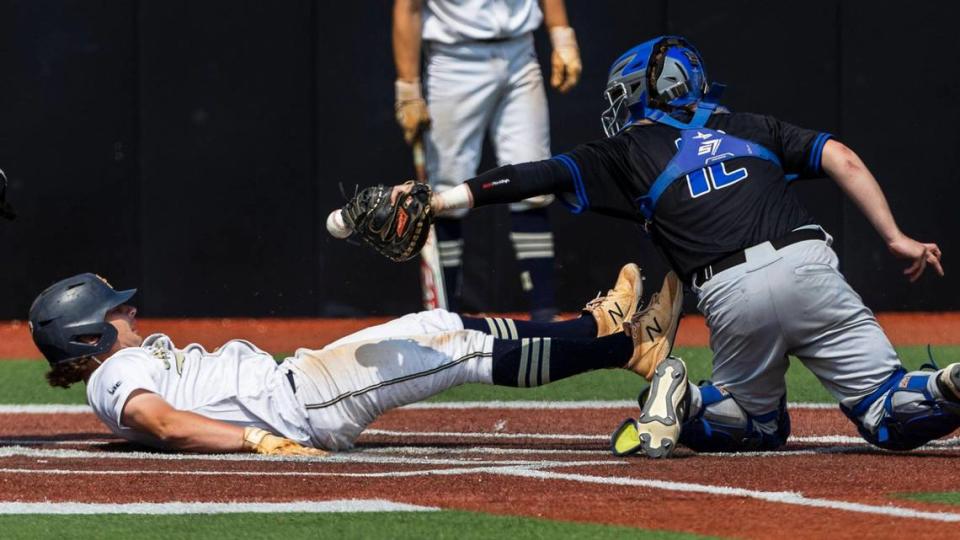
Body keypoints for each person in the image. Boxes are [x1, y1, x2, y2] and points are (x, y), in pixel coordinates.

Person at [383, 35, 953, 458]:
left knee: (758, 428)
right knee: (888, 412)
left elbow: (535, 176)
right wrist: (896, 237)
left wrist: (439, 200)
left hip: (729, 289)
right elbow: (842, 158)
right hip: (808, 264)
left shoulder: (627, 149)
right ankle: (943, 384)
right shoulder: (749, 126)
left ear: (639, 92)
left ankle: (686, 399)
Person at [27, 266, 681, 455]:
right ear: (89, 337)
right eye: (115, 313)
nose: (130, 314)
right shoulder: (114, 375)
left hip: (303, 382)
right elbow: (159, 421)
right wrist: (256, 440)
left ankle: (595, 326)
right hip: (305, 405)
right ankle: (628, 347)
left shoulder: (116, 364)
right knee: (458, 349)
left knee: (439, 324)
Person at [392, 0, 581, 321]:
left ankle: (545, 312)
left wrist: (562, 36)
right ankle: (443, 316)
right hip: (454, 58)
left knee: (534, 179)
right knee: (445, 192)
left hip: (520, 52)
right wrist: (408, 86)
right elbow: (407, 7)